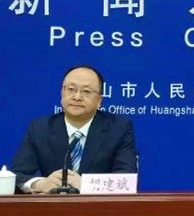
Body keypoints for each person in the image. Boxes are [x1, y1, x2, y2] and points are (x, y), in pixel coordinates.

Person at [11, 65, 137, 193]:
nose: (77, 97)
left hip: (98, 205)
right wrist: (39, 184)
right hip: (54, 205)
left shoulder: (119, 129)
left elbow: (126, 180)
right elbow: (15, 175)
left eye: (86, 91)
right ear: (62, 93)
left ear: (99, 100)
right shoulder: (40, 128)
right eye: (71, 89)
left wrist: (87, 185)